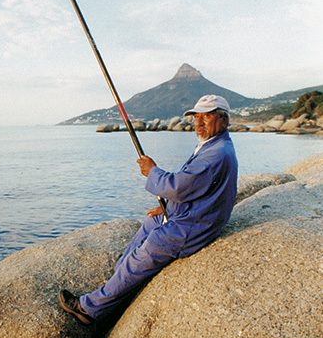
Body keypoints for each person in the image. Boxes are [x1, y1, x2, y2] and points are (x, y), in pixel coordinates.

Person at [58, 94, 238, 324]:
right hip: (194, 214)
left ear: (223, 120)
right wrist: (169, 209)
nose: (199, 123)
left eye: (207, 117)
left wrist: (153, 171)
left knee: (152, 246)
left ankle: (89, 309)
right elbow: (200, 189)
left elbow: (179, 186)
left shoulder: (216, 153)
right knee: (150, 223)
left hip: (195, 225)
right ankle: (119, 283)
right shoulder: (213, 145)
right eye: (196, 118)